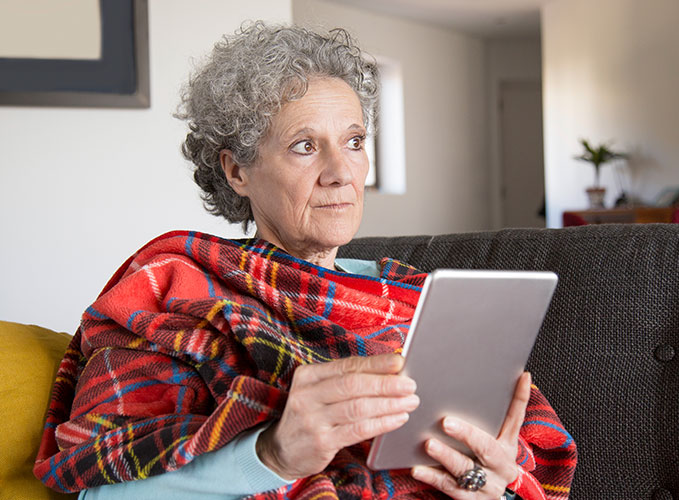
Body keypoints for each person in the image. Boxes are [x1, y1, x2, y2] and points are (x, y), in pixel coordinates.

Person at [34, 22, 576, 500]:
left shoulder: (421, 298)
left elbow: (512, 467)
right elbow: (105, 495)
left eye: (355, 140)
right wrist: (272, 455)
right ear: (236, 170)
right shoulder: (173, 287)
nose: (342, 171)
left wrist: (491, 487)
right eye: (304, 145)